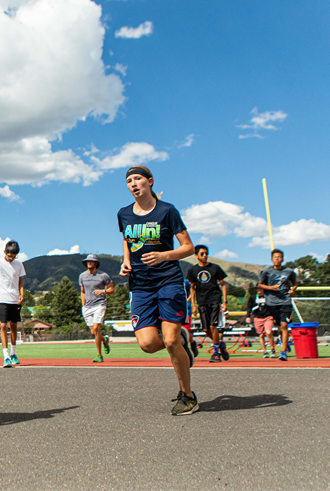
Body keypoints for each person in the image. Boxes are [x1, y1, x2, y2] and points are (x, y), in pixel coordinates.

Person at [118, 165, 198, 415]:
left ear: (149, 182)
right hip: (140, 286)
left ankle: (187, 395)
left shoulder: (167, 211)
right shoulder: (123, 214)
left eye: (138, 179)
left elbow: (189, 248)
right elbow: (126, 239)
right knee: (148, 344)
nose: (133, 183)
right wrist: (126, 260)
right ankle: (184, 341)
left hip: (168, 281)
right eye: (129, 180)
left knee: (171, 340)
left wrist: (164, 255)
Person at [186, 245, 229, 363]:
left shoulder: (215, 268)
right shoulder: (192, 270)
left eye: (206, 253)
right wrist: (193, 305)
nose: (205, 256)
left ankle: (216, 353)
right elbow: (192, 288)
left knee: (213, 326)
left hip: (215, 300)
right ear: (196, 255)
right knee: (206, 329)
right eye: (202, 254)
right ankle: (220, 345)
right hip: (201, 301)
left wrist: (225, 302)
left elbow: (223, 285)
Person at [258, 249, 298, 361]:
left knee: (284, 326)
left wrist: (293, 289)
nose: (278, 259)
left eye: (280, 257)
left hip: (285, 302)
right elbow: (260, 285)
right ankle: (284, 342)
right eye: (276, 257)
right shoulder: (266, 271)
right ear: (272, 259)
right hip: (271, 303)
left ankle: (283, 351)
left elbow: (295, 283)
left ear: (283, 259)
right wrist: (271, 288)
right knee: (280, 328)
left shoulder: (289, 271)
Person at [79, 254, 115, 362]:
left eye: (91, 261)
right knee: (93, 333)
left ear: (95, 263)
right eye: (87, 261)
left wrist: (103, 291)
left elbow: (112, 290)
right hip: (87, 307)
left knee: (96, 329)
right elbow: (82, 291)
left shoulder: (103, 275)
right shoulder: (82, 276)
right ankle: (104, 340)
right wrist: (83, 304)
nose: (89, 263)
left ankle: (99, 355)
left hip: (99, 304)